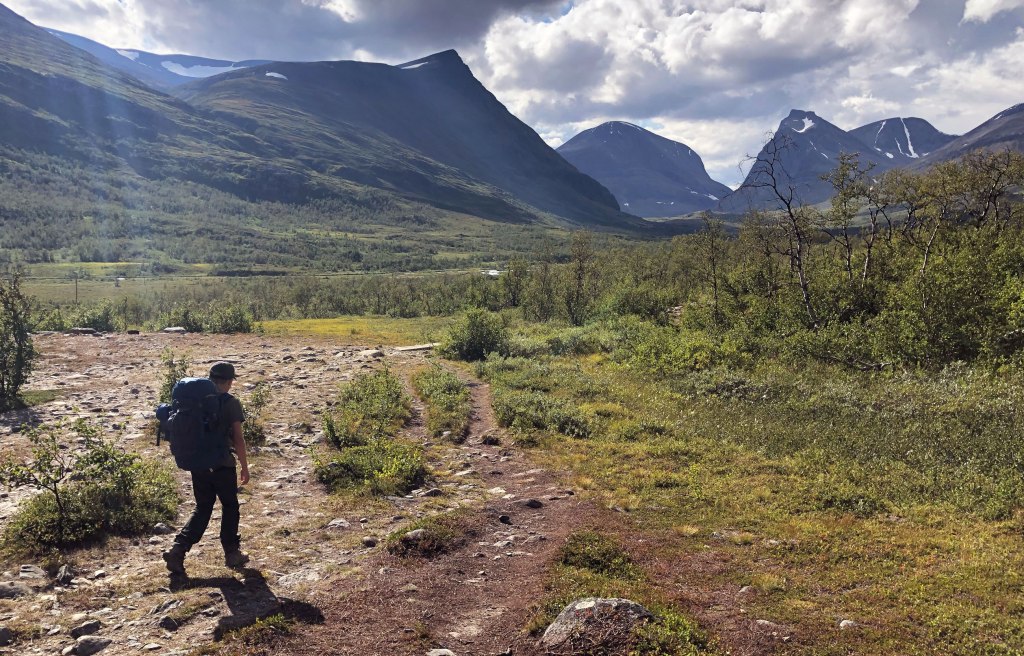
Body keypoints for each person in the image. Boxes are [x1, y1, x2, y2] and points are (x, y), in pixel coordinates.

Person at [163, 361, 251, 574]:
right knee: (230, 506)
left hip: (197, 463)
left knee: (203, 507)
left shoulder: (194, 400)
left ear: (211, 378)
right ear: (229, 382)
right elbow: (238, 439)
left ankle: (178, 550)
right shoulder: (230, 403)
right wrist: (244, 466)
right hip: (221, 464)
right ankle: (232, 553)